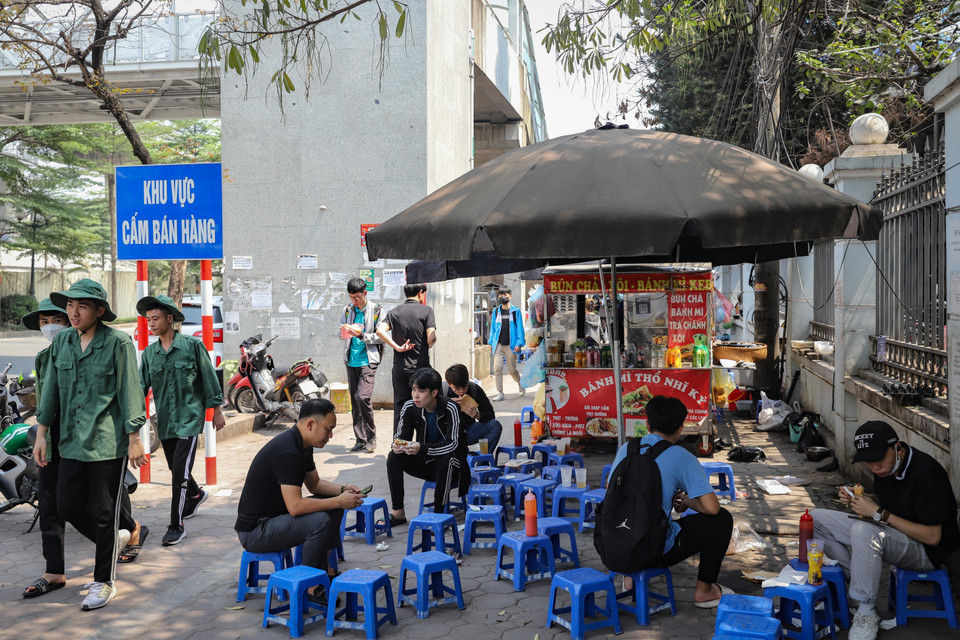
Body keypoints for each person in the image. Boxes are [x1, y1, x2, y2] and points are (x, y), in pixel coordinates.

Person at [33, 279, 148, 611]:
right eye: (69, 305)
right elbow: (50, 391)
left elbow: (130, 391)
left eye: (81, 306)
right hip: (70, 442)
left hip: (106, 444)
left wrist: (134, 438)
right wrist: (41, 434)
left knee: (102, 512)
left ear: (99, 311)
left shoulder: (118, 343)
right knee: (65, 506)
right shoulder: (63, 343)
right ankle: (114, 541)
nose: (73, 312)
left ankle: (105, 581)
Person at [812, 421, 959, 640]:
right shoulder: (886, 469)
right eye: (869, 462)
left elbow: (933, 537)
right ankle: (853, 589)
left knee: (864, 530)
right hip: (896, 533)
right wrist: (862, 498)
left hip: (927, 551)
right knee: (814, 519)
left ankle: (866, 609)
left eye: (879, 459)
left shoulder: (927, 473)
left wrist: (879, 513)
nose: (875, 467)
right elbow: (890, 501)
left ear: (897, 448)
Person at [607, 395, 734, 607]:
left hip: (613, 545)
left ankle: (630, 576)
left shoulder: (627, 449)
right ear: (680, 428)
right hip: (653, 550)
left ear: (647, 424)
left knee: (638, 521)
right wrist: (687, 501)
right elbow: (712, 508)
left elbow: (610, 491)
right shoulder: (682, 457)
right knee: (722, 520)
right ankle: (705, 591)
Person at [235, 399, 364, 605]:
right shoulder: (288, 452)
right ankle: (310, 586)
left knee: (333, 505)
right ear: (310, 424)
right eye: (328, 429)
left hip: (276, 519)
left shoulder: (303, 444)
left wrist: (342, 490)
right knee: (321, 520)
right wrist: (339, 501)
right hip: (255, 532)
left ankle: (327, 571)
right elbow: (295, 507)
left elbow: (314, 485)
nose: (330, 436)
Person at [138, 294, 226, 547]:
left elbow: (209, 377)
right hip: (165, 421)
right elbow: (139, 386)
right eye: (148, 320)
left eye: (155, 319)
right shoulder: (150, 354)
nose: (151, 324)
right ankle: (196, 495)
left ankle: (176, 525)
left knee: (179, 475)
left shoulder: (191, 346)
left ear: (169, 318)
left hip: (189, 419)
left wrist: (216, 410)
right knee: (176, 468)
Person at [384, 368, 469, 526]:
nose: (416, 395)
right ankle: (398, 512)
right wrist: (398, 445)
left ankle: (438, 518)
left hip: (455, 466)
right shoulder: (410, 407)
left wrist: (421, 448)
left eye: (422, 390)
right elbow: (400, 436)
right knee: (393, 457)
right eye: (413, 389)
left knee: (446, 461)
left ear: (434, 392)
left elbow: (453, 444)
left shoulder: (451, 408)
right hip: (427, 464)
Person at [376, 283, 436, 426]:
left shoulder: (394, 312)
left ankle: (399, 445)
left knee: (400, 408)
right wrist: (429, 344)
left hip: (400, 369)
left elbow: (380, 331)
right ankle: (421, 445)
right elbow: (431, 338)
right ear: (420, 293)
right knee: (423, 407)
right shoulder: (426, 311)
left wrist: (397, 347)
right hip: (420, 369)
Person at [339, 278, 384, 453]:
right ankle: (360, 439)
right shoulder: (348, 309)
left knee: (362, 397)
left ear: (365, 293)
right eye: (351, 297)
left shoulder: (377, 310)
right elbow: (340, 332)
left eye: (357, 297)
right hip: (351, 360)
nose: (354, 301)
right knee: (354, 401)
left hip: (368, 360)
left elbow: (381, 336)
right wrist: (344, 332)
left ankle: (371, 436)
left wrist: (361, 335)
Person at [443, 364, 502, 453]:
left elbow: (490, 414)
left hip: (467, 431)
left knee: (495, 425)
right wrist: (446, 404)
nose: (461, 391)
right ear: (449, 384)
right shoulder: (441, 391)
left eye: (464, 387)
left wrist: (478, 415)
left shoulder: (474, 389)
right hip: (445, 435)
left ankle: (483, 462)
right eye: (457, 388)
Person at [488, 286, 525, 401]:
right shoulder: (496, 311)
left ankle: (520, 382)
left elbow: (520, 329)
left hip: (511, 345)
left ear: (510, 296)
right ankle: (500, 392)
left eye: (505, 294)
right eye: (500, 294)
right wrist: (491, 342)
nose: (502, 296)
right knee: (497, 368)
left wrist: (519, 343)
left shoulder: (515, 312)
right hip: (498, 344)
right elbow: (493, 328)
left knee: (511, 370)